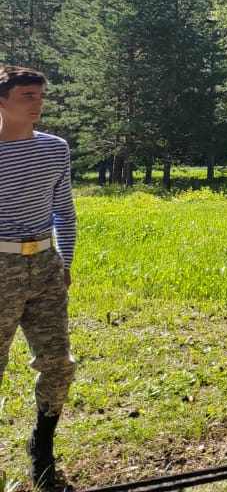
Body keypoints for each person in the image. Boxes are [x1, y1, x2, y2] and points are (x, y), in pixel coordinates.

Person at [0, 65, 77, 492]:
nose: (38, 104)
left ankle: (41, 445)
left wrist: (65, 261)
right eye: (28, 96)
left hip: (46, 265)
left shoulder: (54, 149)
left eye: (40, 96)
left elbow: (63, 209)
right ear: (3, 101)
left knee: (58, 364)